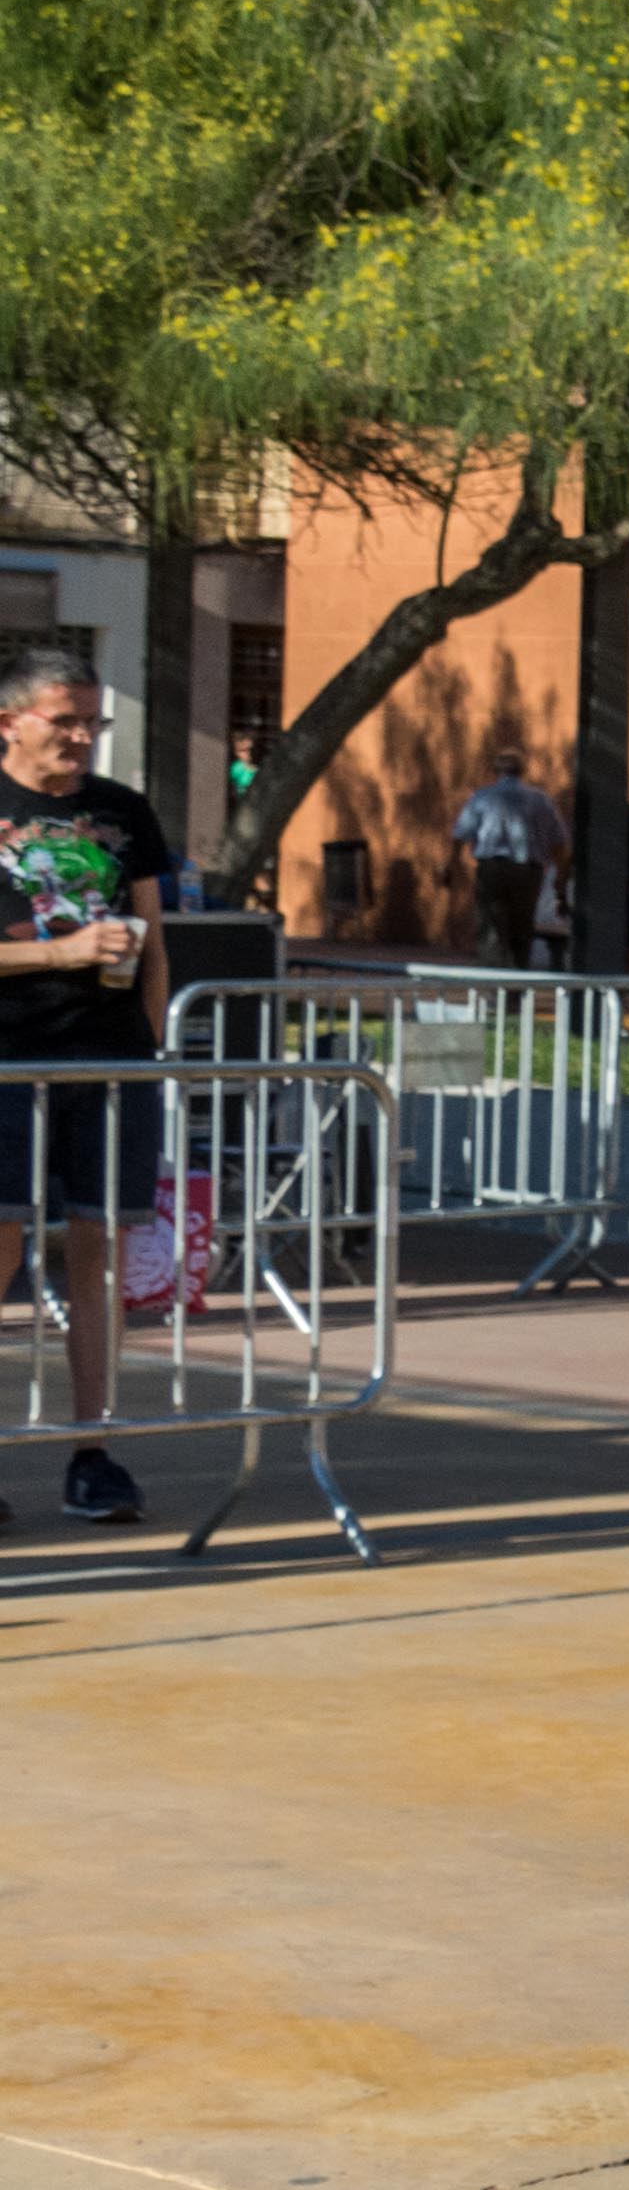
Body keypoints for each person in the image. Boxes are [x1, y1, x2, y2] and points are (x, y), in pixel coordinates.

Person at [0, 641, 172, 1528]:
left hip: (109, 1065)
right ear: (11, 721)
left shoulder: (122, 812)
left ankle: (93, 1453)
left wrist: (150, 1046)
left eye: (90, 721)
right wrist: (51, 953)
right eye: (63, 720)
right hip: (7, 1064)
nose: (80, 737)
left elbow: (152, 936)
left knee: (95, 1255)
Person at [452, 740, 567, 965]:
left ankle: (494, 985)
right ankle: (517, 988)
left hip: (492, 868)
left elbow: (460, 834)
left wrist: (452, 864)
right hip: (528, 871)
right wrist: (561, 877)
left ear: (496, 771)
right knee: (522, 930)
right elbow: (559, 841)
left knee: (490, 928)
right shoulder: (540, 800)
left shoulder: (483, 797)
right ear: (523, 770)